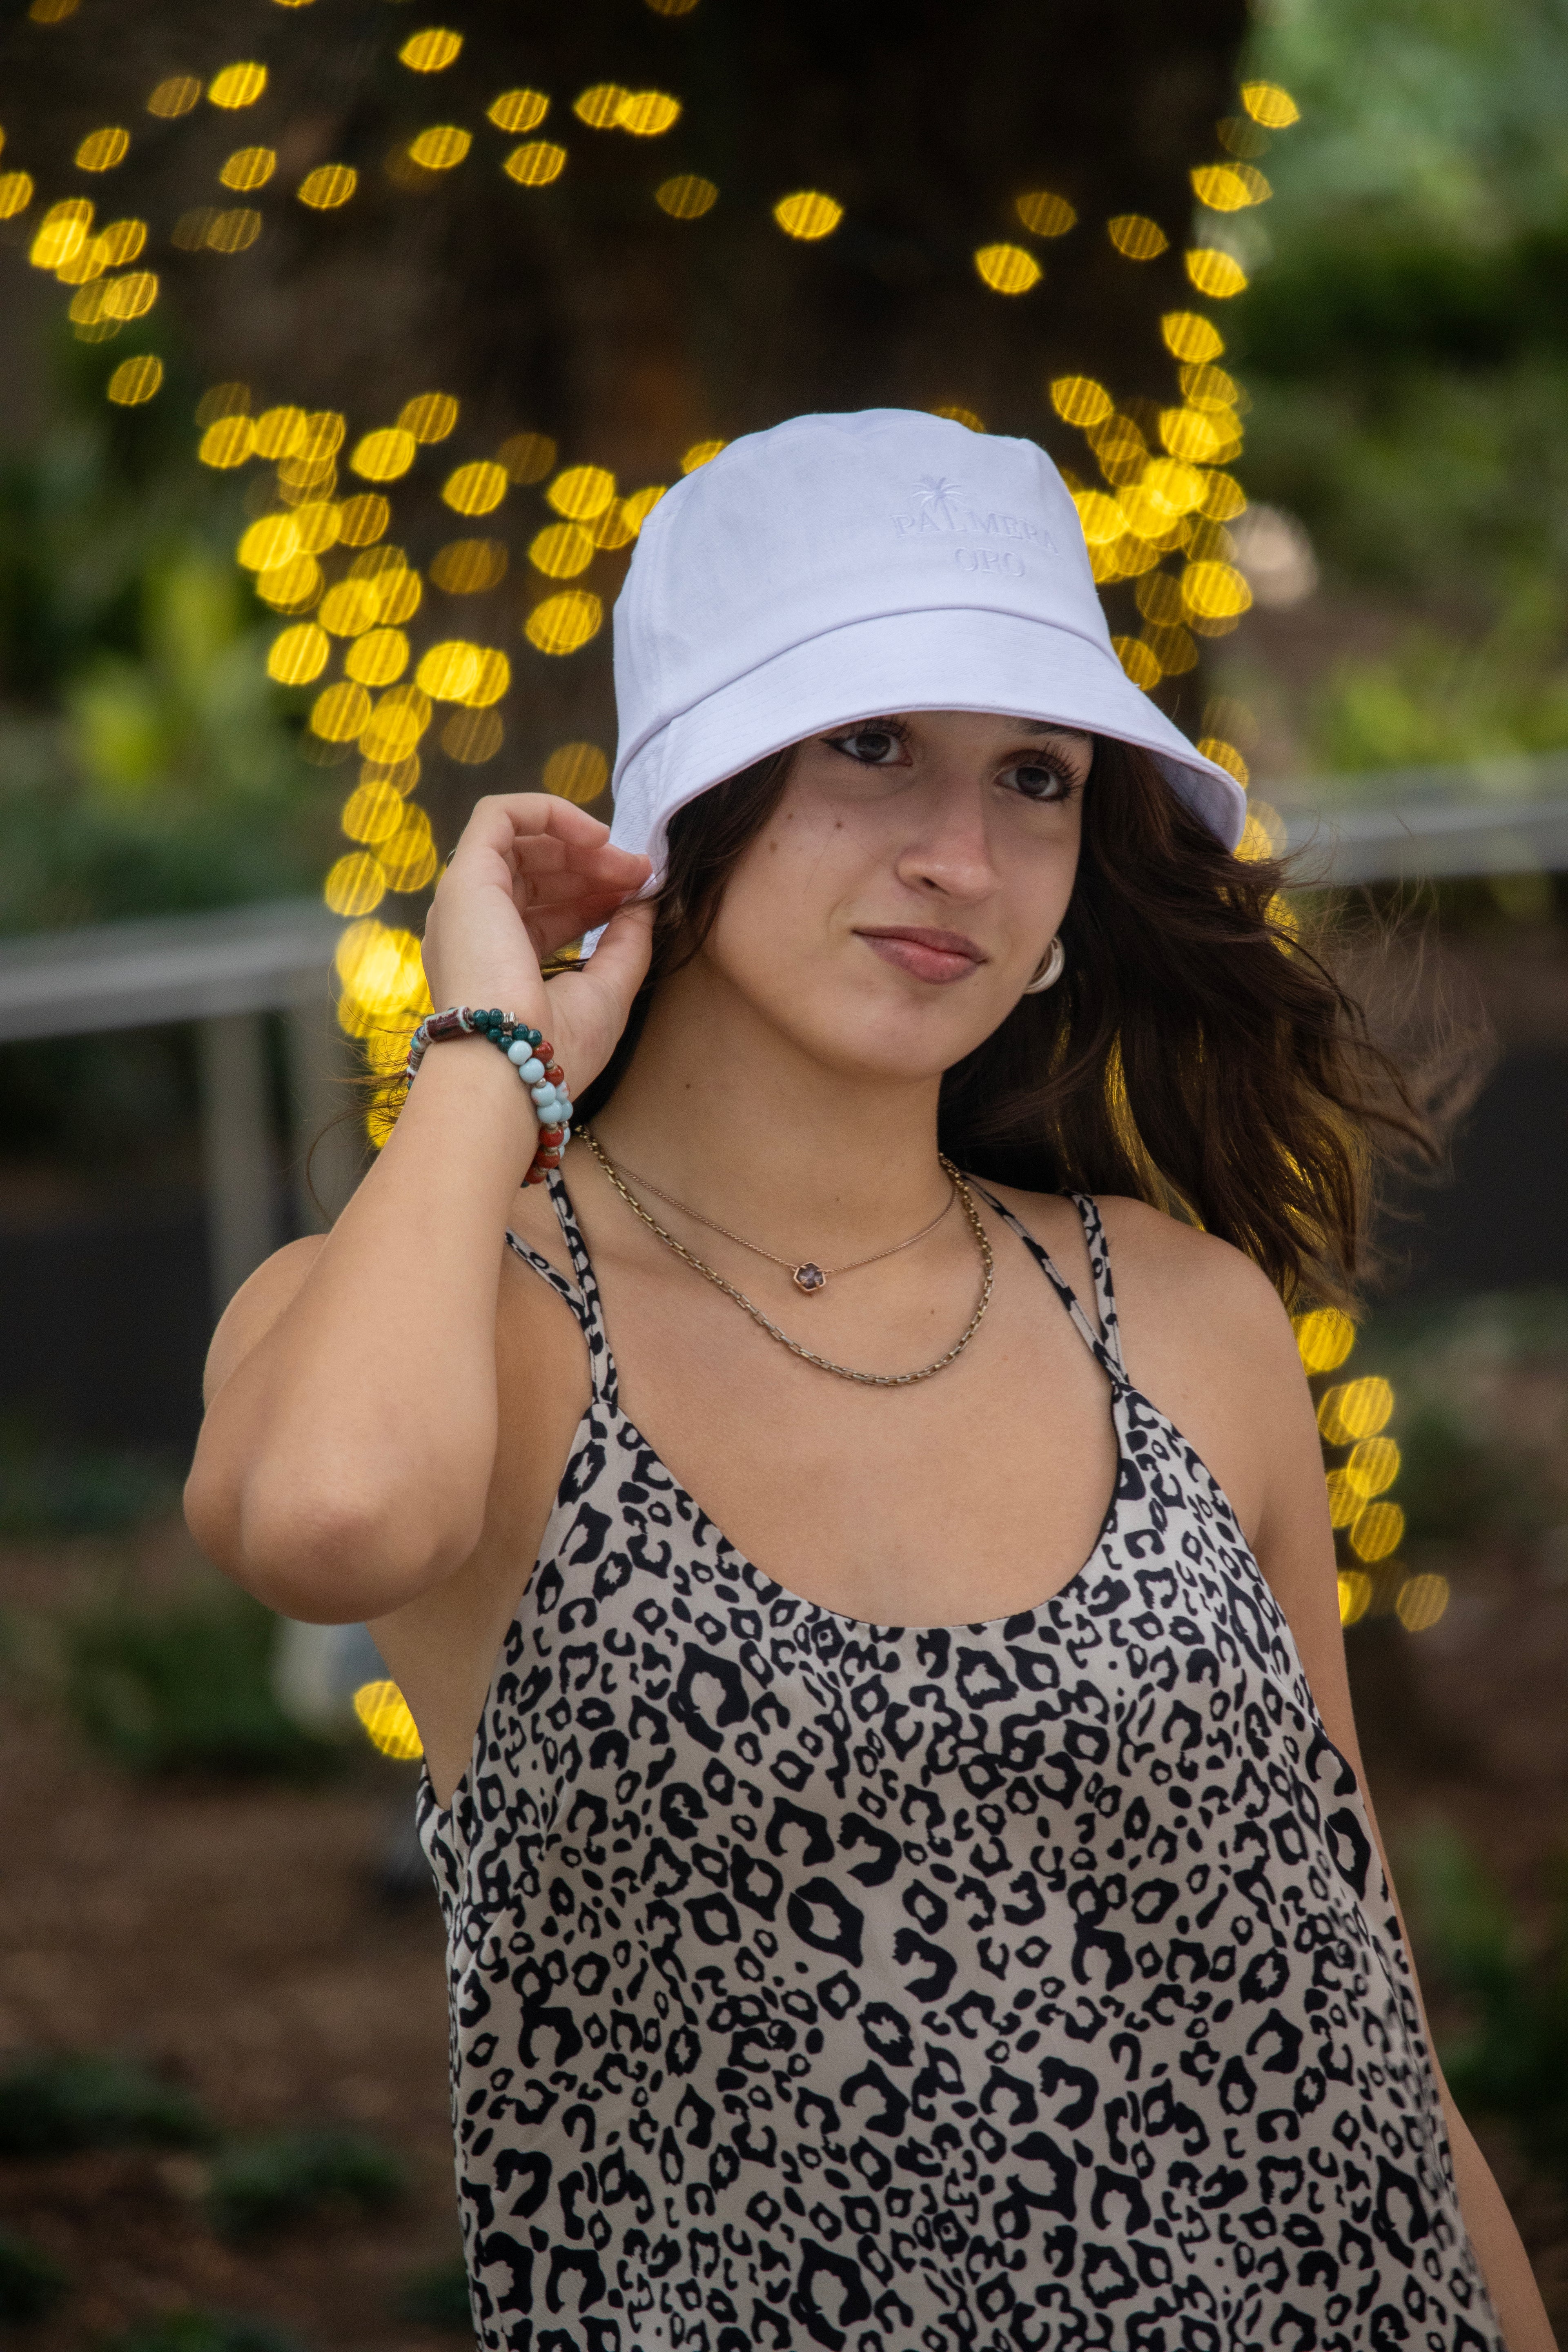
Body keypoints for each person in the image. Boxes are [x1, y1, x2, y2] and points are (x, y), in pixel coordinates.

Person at [186, 411, 1552, 2352]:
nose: (958, 855)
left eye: (1036, 777)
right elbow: (327, 1523)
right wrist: (492, 1048)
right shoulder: (438, 1313)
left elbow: (1360, 1997)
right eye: (870, 746)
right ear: (692, 798)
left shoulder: (1186, 1315)